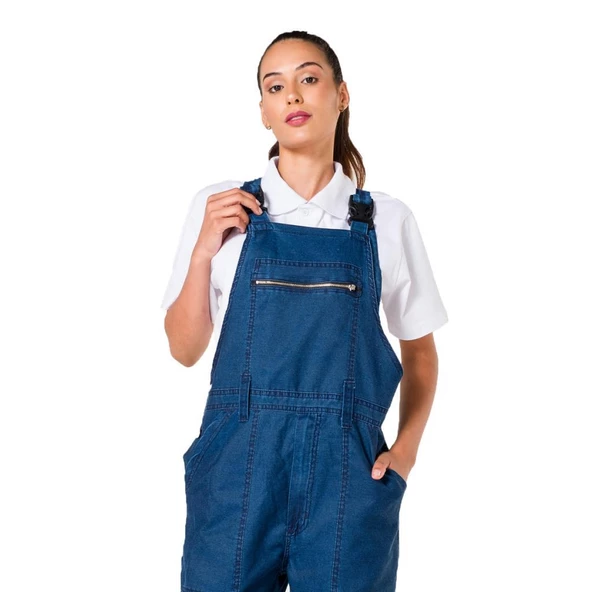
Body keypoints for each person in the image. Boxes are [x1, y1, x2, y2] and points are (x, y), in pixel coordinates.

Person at [162, 30, 448, 592]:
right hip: (237, 468)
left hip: (348, 478)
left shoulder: (386, 221)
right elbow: (183, 349)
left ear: (341, 95)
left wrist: (407, 452)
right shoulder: (220, 209)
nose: (292, 95)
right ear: (264, 112)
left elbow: (420, 351)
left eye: (308, 79)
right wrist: (202, 253)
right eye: (275, 87)